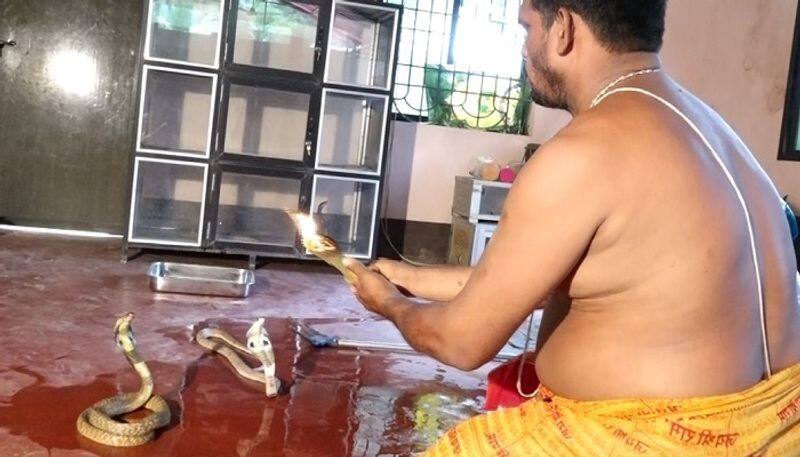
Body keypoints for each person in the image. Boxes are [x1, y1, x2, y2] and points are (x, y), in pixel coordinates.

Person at [347, 0, 800, 454]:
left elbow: (461, 342)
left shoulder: (583, 153)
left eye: (527, 28)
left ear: (562, 28)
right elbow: (545, 279)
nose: (524, 49)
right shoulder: (712, 128)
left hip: (658, 439)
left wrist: (387, 305)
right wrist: (409, 277)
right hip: (775, 421)